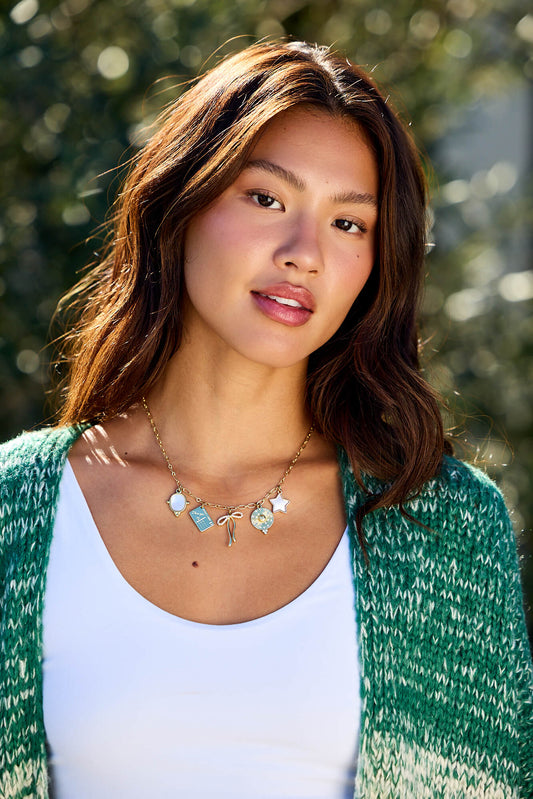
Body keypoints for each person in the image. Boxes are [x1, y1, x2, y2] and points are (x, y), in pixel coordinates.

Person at [0, 39, 531, 799]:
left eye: (348, 224)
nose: (303, 253)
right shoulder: (16, 510)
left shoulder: (440, 522)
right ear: (180, 203)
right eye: (266, 199)